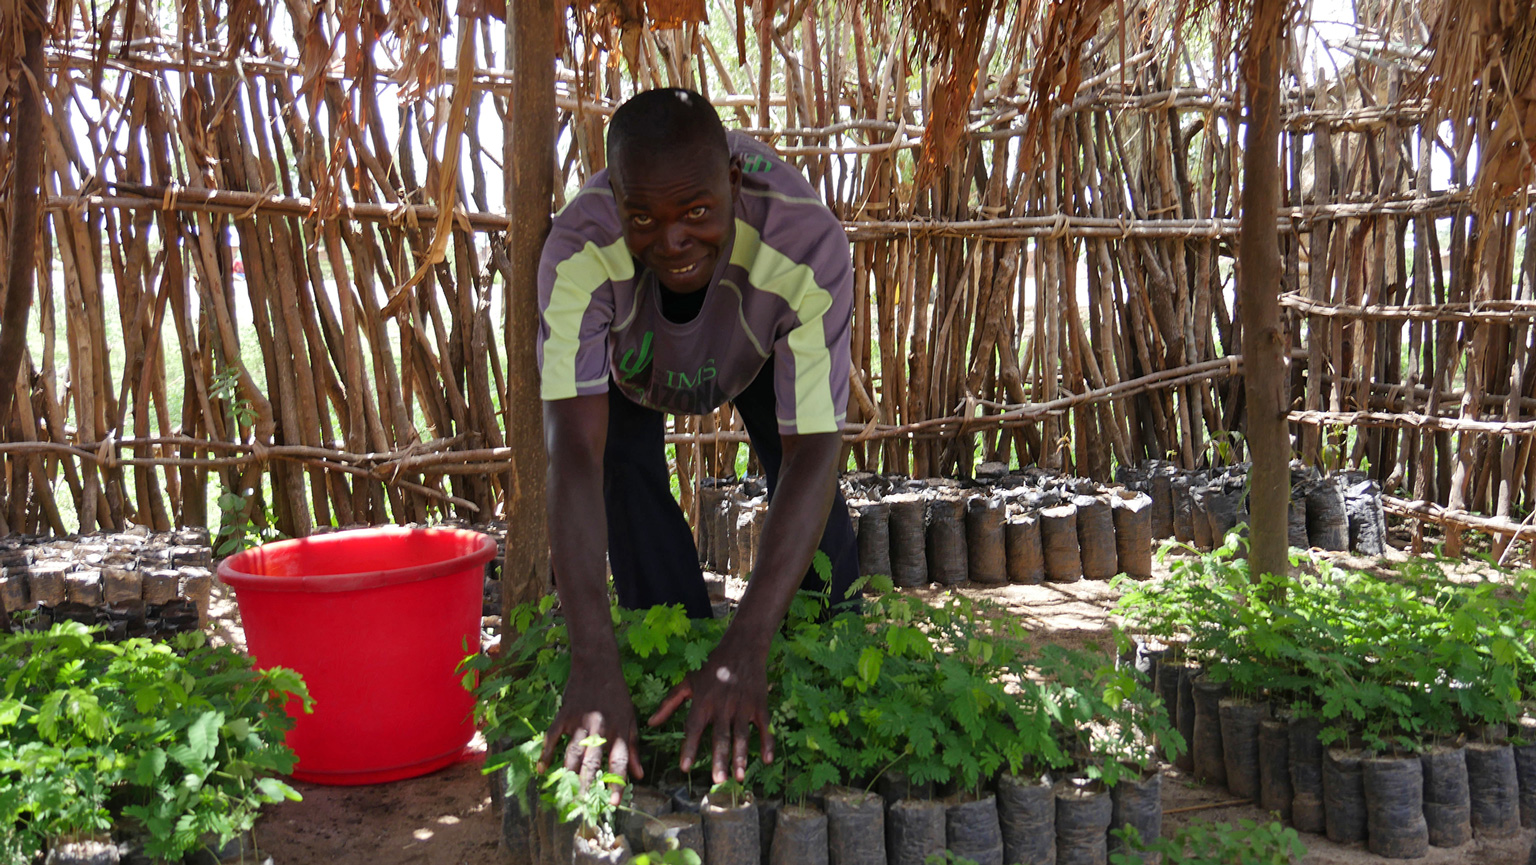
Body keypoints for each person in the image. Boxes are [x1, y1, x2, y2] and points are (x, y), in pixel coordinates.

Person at [534, 87, 860, 796]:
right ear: (616, 201)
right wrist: (592, 659)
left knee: (818, 526)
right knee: (622, 474)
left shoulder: (804, 245)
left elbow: (812, 451)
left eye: (698, 213)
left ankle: (825, 663)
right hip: (630, 366)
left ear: (734, 184)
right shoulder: (579, 250)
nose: (673, 240)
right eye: (643, 218)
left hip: (756, 347)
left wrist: (746, 642)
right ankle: (670, 687)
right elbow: (574, 454)